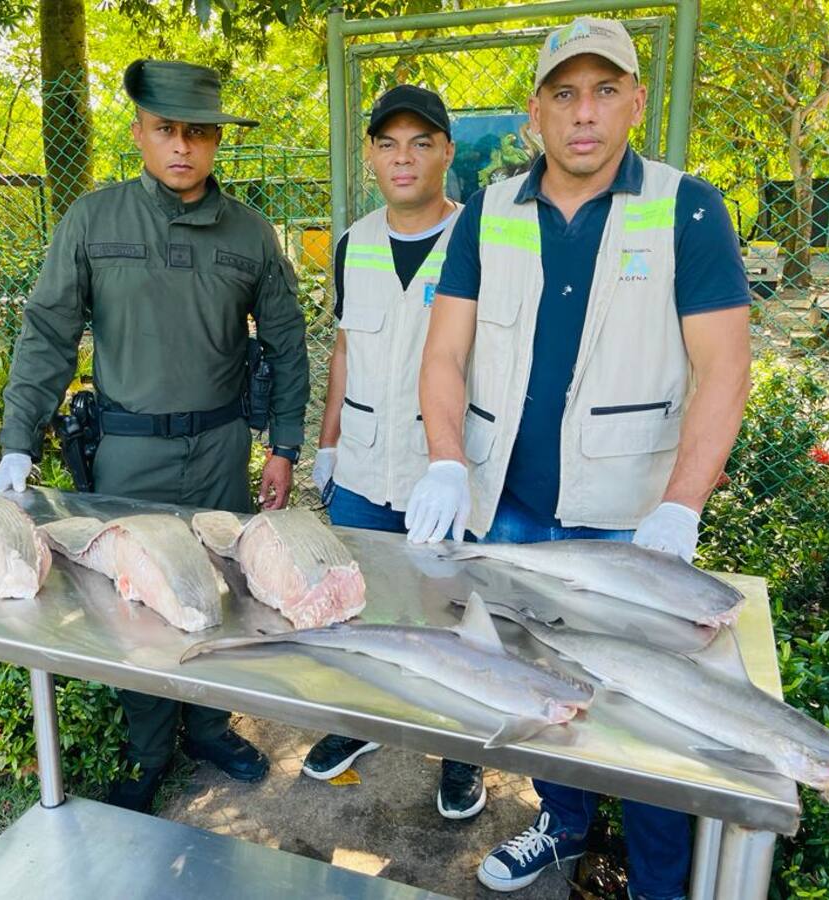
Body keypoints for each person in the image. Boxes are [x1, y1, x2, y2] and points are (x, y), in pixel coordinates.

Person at [405, 18, 752, 898]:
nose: (584, 113)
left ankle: (659, 881)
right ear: (535, 113)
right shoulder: (490, 210)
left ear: (637, 100)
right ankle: (562, 827)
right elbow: (444, 353)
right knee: (539, 686)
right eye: (565, 93)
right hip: (514, 514)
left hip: (630, 522)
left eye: (604, 91)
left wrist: (680, 508)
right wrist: (447, 459)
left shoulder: (687, 206)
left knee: (649, 715)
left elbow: (724, 368)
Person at [0, 59, 310, 813]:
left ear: (215, 142)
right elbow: (47, 333)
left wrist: (286, 446)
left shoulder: (252, 233)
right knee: (132, 598)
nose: (181, 147)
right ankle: (146, 750)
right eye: (165, 130)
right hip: (127, 454)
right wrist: (16, 441)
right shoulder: (93, 222)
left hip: (221, 448)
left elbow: (288, 341)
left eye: (198, 133)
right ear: (138, 131)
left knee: (219, 588)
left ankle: (208, 725)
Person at [303, 85, 485, 819]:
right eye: (388, 143)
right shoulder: (354, 242)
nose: (403, 158)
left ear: (446, 150)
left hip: (442, 467)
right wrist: (327, 442)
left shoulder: (482, 240)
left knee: (452, 615)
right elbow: (346, 346)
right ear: (372, 155)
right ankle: (359, 723)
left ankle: (461, 753)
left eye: (420, 142)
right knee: (359, 606)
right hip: (363, 464)